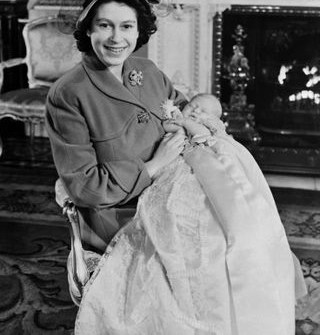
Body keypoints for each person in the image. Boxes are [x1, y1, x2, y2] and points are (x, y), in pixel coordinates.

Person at [74, 93, 306, 334]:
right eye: (193, 107)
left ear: (216, 118)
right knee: (178, 208)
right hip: (181, 170)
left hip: (210, 166)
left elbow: (204, 135)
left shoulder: (209, 130)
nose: (196, 112)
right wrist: (175, 115)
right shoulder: (177, 122)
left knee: (232, 212)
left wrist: (189, 122)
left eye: (204, 111)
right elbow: (167, 125)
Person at [45, 0, 187, 254]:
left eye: (126, 27)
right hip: (119, 216)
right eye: (105, 26)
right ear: (88, 29)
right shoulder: (67, 94)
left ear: (139, 33)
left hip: (171, 197)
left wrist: (200, 114)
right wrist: (153, 166)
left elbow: (182, 109)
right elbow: (85, 187)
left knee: (234, 237)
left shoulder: (148, 70)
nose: (115, 38)